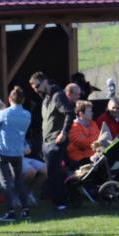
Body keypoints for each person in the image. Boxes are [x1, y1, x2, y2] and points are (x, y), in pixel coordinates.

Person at [0, 87, 33, 222]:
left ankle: (10, 212)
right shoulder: (27, 114)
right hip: (18, 151)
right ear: (23, 100)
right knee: (19, 181)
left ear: (10, 99)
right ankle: (26, 210)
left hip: (3, 151)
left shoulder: (3, 113)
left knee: (5, 182)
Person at [31, 73, 76, 211]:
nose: (36, 90)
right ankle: (58, 200)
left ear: (45, 81)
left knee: (54, 173)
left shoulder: (58, 96)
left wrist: (64, 133)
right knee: (52, 173)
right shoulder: (46, 98)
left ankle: (61, 204)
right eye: (34, 88)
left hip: (56, 141)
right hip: (46, 142)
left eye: (38, 86)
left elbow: (70, 113)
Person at [67, 100, 102, 169]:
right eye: (89, 111)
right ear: (81, 114)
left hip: (93, 155)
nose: (92, 113)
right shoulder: (73, 126)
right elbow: (83, 143)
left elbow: (99, 138)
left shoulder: (93, 123)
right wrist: (99, 139)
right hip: (80, 158)